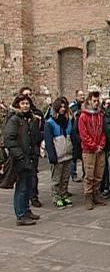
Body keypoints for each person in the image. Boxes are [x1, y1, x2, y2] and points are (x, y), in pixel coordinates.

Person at [4, 94, 43, 225]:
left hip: (30, 157)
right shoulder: (14, 119)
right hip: (20, 159)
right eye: (23, 103)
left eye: (27, 103)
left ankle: (26, 210)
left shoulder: (30, 119)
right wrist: (20, 156)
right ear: (18, 105)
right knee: (21, 188)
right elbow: (9, 140)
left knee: (28, 186)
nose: (25, 106)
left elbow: (35, 137)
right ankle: (21, 215)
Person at [44, 97, 74, 208]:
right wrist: (52, 156)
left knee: (65, 178)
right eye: (60, 107)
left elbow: (72, 136)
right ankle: (56, 197)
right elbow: (48, 142)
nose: (62, 109)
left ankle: (64, 195)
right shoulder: (50, 123)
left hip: (67, 153)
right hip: (57, 155)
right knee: (56, 178)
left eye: (64, 106)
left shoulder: (68, 121)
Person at [79, 91, 107, 210]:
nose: (96, 103)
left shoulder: (100, 115)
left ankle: (96, 194)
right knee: (89, 175)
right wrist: (94, 146)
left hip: (100, 150)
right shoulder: (83, 116)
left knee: (99, 174)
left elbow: (103, 132)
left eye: (98, 101)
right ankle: (88, 196)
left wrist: (101, 144)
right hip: (89, 150)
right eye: (94, 101)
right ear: (89, 101)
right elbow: (84, 134)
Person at [19, 87, 44, 208]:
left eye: (29, 95)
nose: (28, 98)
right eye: (25, 96)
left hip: (34, 148)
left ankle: (33, 196)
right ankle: (23, 205)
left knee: (33, 174)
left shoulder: (37, 113)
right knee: (23, 178)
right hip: (22, 151)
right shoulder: (16, 117)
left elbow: (42, 129)